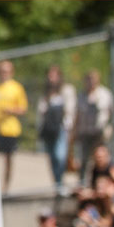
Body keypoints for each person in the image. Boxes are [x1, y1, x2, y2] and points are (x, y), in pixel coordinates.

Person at [0, 60, 27, 192]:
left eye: (6, 71)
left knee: (8, 160)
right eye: (2, 71)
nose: (4, 74)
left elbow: (23, 109)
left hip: (10, 130)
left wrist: (11, 110)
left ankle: (5, 187)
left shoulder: (16, 87)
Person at [36, 64, 76, 192]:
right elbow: (41, 111)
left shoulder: (66, 91)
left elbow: (70, 111)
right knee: (52, 157)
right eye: (50, 75)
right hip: (48, 130)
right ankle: (57, 184)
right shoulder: (46, 93)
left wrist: (70, 129)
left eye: (54, 75)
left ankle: (60, 182)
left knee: (60, 156)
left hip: (60, 129)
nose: (51, 78)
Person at [73, 69, 113, 184]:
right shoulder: (81, 96)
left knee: (101, 159)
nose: (91, 82)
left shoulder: (105, 94)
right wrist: (74, 132)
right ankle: (83, 183)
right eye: (89, 80)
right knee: (84, 160)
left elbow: (111, 112)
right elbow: (77, 115)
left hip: (100, 133)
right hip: (85, 132)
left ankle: (102, 182)